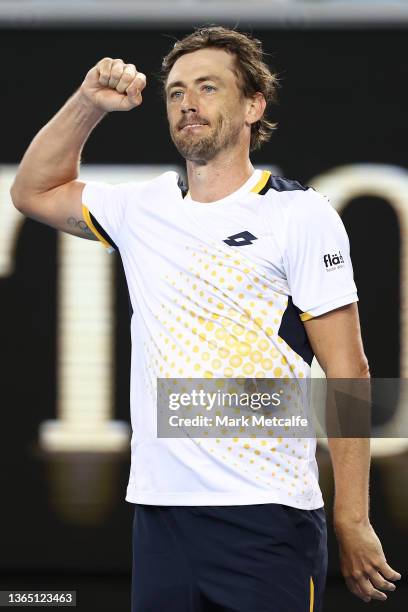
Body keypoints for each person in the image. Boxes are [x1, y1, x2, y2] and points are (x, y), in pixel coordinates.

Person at [11, 25, 401, 612]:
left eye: (208, 87)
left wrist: (352, 516)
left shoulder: (299, 214)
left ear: (253, 106)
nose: (188, 102)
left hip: (268, 519)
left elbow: (349, 370)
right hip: (161, 517)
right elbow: (33, 190)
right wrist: (88, 104)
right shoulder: (140, 207)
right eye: (175, 92)